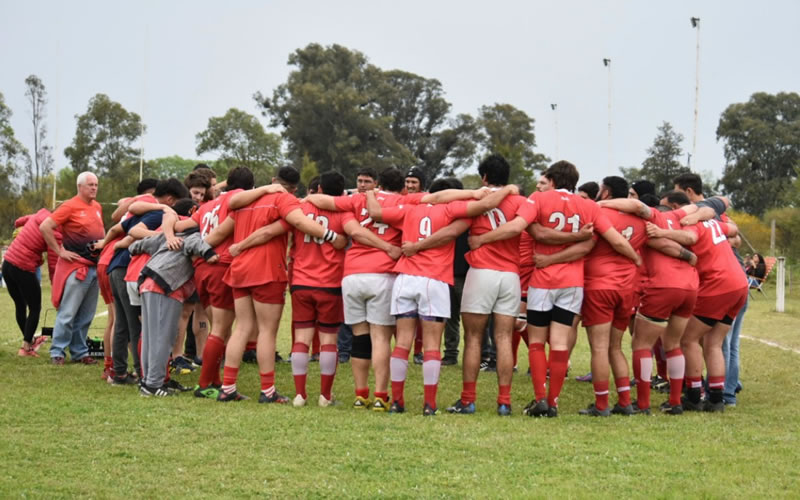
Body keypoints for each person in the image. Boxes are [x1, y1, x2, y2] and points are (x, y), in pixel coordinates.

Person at [369, 178, 519, 415]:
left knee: (403, 343)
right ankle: (429, 404)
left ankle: (397, 401)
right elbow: (481, 207)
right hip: (434, 280)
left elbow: (376, 213)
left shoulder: (409, 207)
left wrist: (370, 193)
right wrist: (508, 189)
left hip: (405, 277)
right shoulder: (452, 209)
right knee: (431, 345)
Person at [40, 172, 105, 365]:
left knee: (86, 314)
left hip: (93, 266)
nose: (94, 188)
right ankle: (57, 351)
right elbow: (45, 226)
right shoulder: (69, 206)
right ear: (80, 187)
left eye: (96, 184)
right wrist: (60, 251)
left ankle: (79, 351)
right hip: (76, 267)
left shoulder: (97, 206)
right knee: (68, 312)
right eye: (90, 185)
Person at [3, 208, 60, 356]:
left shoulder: (39, 215)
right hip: (23, 266)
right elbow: (53, 264)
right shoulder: (56, 231)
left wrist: (22, 231)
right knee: (35, 307)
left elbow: (18, 222)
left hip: (8, 262)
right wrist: (56, 286)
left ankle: (29, 340)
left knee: (20, 305)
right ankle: (26, 347)